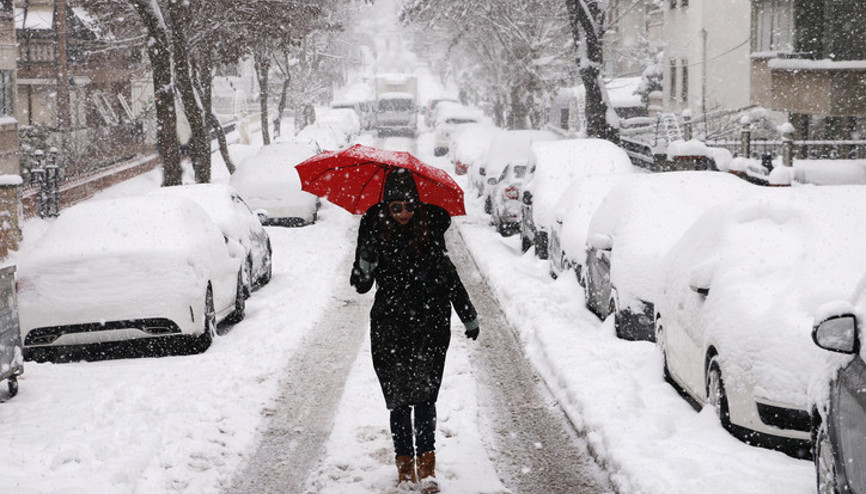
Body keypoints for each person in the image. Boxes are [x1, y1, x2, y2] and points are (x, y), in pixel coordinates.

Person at [350, 168, 480, 492]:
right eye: (396, 208)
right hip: (389, 327)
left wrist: (469, 315)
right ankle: (405, 467)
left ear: (417, 204)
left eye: (409, 206)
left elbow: (450, 278)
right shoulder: (374, 232)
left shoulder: (431, 232)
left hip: (429, 326)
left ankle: (427, 467)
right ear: (387, 207)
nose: (404, 213)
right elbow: (361, 286)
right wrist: (364, 264)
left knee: (424, 398)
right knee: (397, 401)